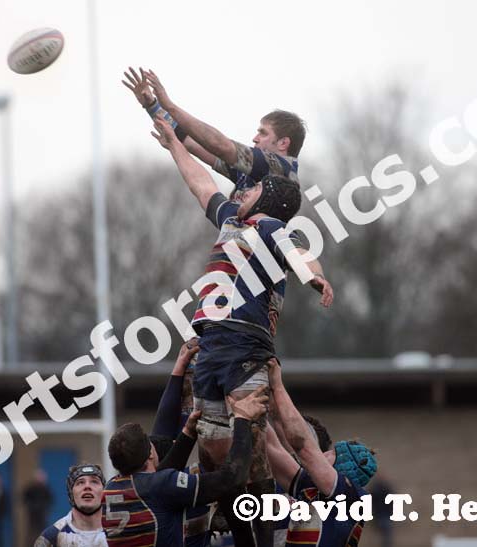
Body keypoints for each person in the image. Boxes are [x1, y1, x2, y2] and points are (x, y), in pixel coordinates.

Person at [151, 117, 333, 546]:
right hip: (211, 343)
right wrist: (175, 144)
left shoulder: (269, 227)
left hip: (243, 346)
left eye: (249, 188)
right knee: (213, 448)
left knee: (247, 452)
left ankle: (259, 537)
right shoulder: (231, 218)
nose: (241, 190)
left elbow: (302, 253)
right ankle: (234, 528)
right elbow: (199, 182)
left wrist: (315, 279)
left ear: (265, 196)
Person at [102, 387, 269, 547]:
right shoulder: (160, 486)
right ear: (150, 454)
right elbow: (231, 479)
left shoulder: (111, 487)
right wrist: (242, 420)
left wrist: (188, 433)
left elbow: (156, 482)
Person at [123, 67, 303, 204]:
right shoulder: (253, 172)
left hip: (257, 251)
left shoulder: (283, 169)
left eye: (263, 133)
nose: (254, 138)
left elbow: (220, 145)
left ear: (283, 143)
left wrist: (169, 105)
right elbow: (191, 142)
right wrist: (153, 106)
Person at [265, 359, 377, 546]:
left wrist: (277, 385)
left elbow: (302, 446)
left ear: (343, 465)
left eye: (330, 453)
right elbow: (272, 447)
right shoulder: (312, 488)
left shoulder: (351, 498)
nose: (323, 454)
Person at [34, 464, 106, 547]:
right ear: (71, 493)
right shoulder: (51, 537)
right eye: (80, 482)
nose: (87, 486)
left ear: (104, 491)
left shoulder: (118, 532)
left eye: (94, 481)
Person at [24, 469, 54, 541]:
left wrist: (45, 507)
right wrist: (31, 506)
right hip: (32, 515)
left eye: (42, 478)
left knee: (43, 531)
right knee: (32, 532)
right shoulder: (30, 488)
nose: (41, 479)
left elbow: (50, 499)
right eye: (39, 478)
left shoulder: (46, 489)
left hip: (42, 514)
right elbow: (25, 499)